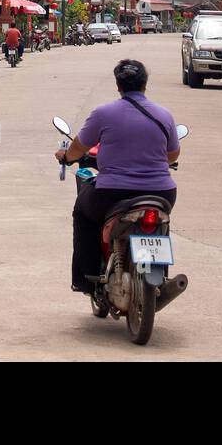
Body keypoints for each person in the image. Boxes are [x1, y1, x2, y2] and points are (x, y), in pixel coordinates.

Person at [55, 59, 179, 294]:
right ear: (145, 85)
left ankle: (87, 276)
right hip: (162, 192)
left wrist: (66, 156)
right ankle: (159, 271)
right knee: (161, 222)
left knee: (82, 212)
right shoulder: (165, 115)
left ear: (118, 86)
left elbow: (79, 148)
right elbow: (172, 155)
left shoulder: (103, 113)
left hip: (112, 192)